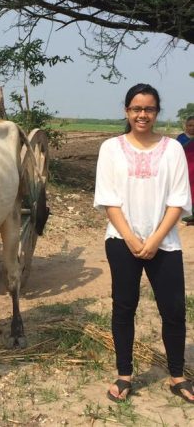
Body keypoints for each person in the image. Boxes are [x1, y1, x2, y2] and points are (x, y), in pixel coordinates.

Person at [94, 84, 193, 404]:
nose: (142, 114)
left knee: (174, 309)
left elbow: (178, 200)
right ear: (126, 111)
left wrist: (154, 239)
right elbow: (108, 199)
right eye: (136, 109)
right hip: (122, 241)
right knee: (124, 307)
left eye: (149, 109)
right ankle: (124, 374)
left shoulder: (172, 149)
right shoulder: (111, 148)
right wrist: (133, 238)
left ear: (156, 112)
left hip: (164, 242)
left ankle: (177, 375)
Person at [177, 115, 194, 224]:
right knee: (186, 191)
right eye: (190, 125)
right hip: (185, 169)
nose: (192, 127)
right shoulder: (181, 138)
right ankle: (187, 214)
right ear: (186, 126)